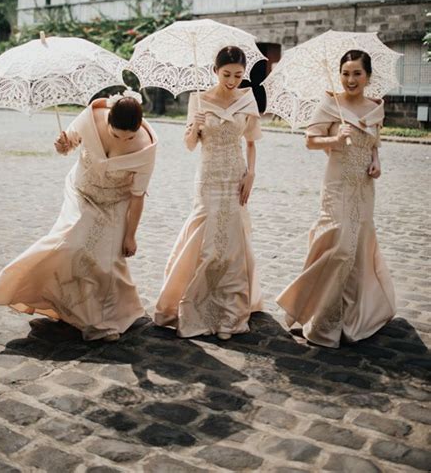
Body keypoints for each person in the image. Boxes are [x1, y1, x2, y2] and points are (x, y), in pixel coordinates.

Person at [0, 91, 157, 342]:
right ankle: (26, 286)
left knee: (105, 262)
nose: (122, 140)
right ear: (108, 119)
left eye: (129, 136)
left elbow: (138, 196)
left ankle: (105, 318)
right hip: (82, 192)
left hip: (116, 202)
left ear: (138, 128)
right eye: (116, 134)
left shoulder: (145, 148)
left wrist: (131, 235)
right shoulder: (91, 117)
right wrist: (63, 145)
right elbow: (70, 143)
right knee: (71, 245)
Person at [276, 50, 396, 348]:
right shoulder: (330, 105)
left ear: (367, 76)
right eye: (345, 73)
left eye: (356, 73)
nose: (350, 79)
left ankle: (353, 314)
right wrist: (334, 139)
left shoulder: (375, 108)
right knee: (340, 245)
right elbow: (310, 141)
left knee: (357, 249)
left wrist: (376, 160)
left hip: (364, 188)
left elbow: (375, 141)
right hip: (337, 186)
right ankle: (313, 309)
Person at [154, 46, 263, 340]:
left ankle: (231, 313)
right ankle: (196, 307)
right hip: (208, 178)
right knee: (206, 244)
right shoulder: (199, 100)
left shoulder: (247, 99)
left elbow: (251, 142)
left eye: (238, 75)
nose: (232, 80)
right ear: (215, 71)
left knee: (231, 244)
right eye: (226, 74)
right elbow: (190, 145)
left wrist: (251, 174)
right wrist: (195, 127)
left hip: (236, 176)